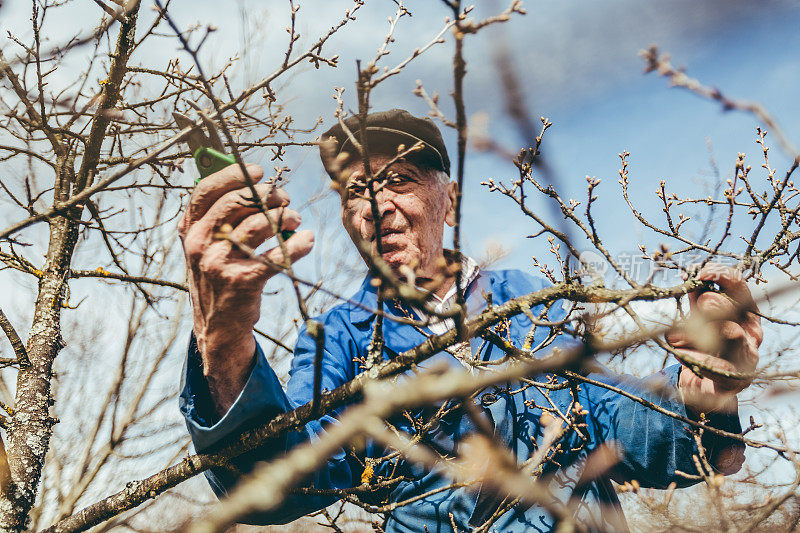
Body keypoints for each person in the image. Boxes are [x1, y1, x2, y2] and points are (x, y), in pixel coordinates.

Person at [178, 109, 761, 532]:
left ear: (448, 202)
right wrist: (224, 339)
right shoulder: (341, 338)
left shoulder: (529, 302)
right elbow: (274, 485)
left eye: (398, 181)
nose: (375, 204)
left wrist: (701, 397)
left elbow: (620, 426)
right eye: (356, 190)